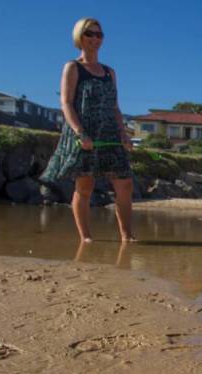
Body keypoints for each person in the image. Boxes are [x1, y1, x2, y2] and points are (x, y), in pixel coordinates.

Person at [41, 17, 135, 243]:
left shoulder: (110, 72)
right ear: (79, 38)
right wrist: (80, 132)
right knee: (85, 186)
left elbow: (115, 106)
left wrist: (123, 134)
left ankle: (127, 236)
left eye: (99, 34)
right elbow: (66, 103)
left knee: (125, 184)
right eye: (89, 34)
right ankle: (85, 237)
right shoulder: (73, 67)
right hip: (85, 133)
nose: (95, 39)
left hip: (110, 134)